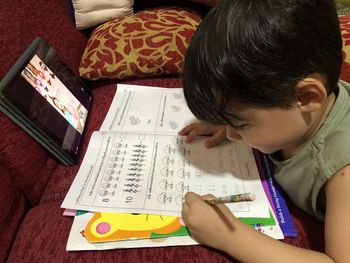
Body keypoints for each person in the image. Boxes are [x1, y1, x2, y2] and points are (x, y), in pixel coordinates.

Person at [179, 0, 350, 262]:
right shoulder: (305, 102)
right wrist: (229, 120)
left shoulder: (342, 173)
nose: (234, 134)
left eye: (242, 124)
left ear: (305, 97)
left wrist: (229, 235)